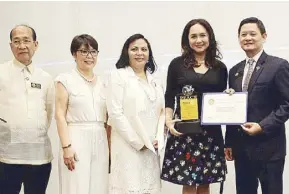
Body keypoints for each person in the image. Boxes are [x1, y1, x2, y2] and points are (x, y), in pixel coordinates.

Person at [224, 17, 289, 194]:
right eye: (243, 34)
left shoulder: (278, 66)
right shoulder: (234, 71)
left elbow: (288, 104)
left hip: (270, 148)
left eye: (252, 34)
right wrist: (229, 143)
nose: (247, 38)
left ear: (264, 36)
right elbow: (234, 110)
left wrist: (262, 126)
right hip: (242, 149)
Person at [161, 18, 228, 194]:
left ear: (210, 37)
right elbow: (169, 96)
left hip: (210, 132)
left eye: (202, 35)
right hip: (185, 129)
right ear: (187, 40)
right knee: (188, 182)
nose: (198, 40)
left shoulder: (220, 68)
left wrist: (229, 97)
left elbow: (221, 100)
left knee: (206, 182)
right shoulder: (177, 64)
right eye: (193, 36)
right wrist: (168, 121)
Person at [106, 33, 165, 194]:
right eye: (134, 49)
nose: (140, 53)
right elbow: (115, 113)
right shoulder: (118, 76)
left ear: (149, 54)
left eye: (144, 49)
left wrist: (158, 138)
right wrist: (139, 142)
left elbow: (162, 112)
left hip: (152, 149)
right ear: (127, 52)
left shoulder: (155, 79)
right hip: (128, 147)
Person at [0, 24, 54, 194]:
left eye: (26, 40)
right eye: (16, 41)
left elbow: (49, 112)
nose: (22, 46)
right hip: (6, 157)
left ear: (35, 44)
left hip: (39, 157)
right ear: (10, 46)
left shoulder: (45, 78)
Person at [55, 34, 109, 194]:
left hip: (100, 138)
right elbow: (59, 115)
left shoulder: (104, 82)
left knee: (99, 187)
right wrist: (66, 147)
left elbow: (109, 118)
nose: (89, 56)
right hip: (76, 138)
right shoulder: (64, 80)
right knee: (75, 187)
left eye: (93, 52)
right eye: (84, 52)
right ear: (74, 54)